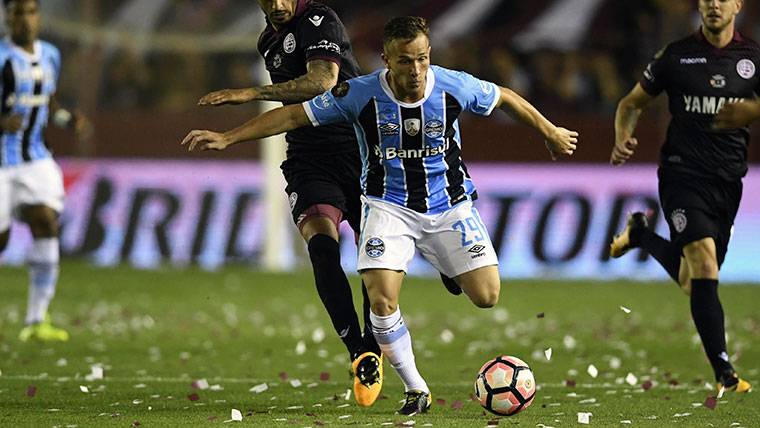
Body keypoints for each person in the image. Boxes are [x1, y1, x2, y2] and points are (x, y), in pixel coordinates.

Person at [183, 16, 578, 414]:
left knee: (487, 296)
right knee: (381, 300)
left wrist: (550, 131)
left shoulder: (454, 86)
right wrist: (228, 137)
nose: (416, 70)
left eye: (422, 59)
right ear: (387, 59)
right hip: (387, 207)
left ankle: (443, 261)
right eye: (406, 61)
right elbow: (293, 116)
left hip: (449, 206)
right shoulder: (360, 93)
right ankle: (416, 388)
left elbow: (504, 96)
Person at [609, 0, 754, 394]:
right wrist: (623, 135)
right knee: (705, 266)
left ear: (737, 5)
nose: (713, 5)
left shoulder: (753, 59)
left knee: (695, 282)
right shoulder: (676, 56)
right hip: (682, 175)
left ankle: (641, 235)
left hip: (728, 183)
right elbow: (630, 103)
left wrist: (752, 112)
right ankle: (724, 369)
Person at [0, 0, 88, 342]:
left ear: (39, 16)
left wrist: (67, 119)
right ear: (7, 17)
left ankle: (37, 320)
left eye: (31, 11)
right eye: (17, 12)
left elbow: (47, 101)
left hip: (36, 157)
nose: (24, 19)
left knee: (46, 221)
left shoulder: (50, 54)